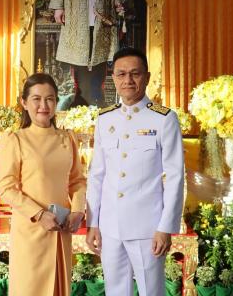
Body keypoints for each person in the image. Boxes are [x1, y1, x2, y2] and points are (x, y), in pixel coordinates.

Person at [86, 47, 185, 296]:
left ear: (147, 77)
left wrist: (165, 227)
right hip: (110, 226)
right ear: (113, 78)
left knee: (151, 291)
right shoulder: (105, 119)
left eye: (135, 73)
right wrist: (93, 223)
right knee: (115, 291)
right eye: (121, 74)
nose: (128, 80)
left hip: (147, 227)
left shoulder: (164, 119)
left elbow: (175, 176)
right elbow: (97, 175)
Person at [0, 73, 86, 296]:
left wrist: (78, 211)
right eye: (36, 99)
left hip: (61, 230)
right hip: (31, 231)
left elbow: (77, 181)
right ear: (24, 103)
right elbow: (6, 188)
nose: (43, 106)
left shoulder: (68, 139)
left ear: (56, 102)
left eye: (50, 99)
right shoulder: (15, 140)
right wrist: (39, 214)